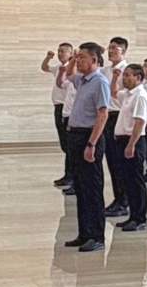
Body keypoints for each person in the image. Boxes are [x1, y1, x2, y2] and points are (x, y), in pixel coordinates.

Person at [63, 42, 112, 253]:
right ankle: (84, 233)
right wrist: (73, 59)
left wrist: (91, 143)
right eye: (77, 57)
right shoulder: (82, 80)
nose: (78, 60)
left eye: (82, 57)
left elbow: (103, 114)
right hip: (75, 135)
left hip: (89, 136)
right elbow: (68, 74)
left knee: (92, 188)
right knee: (81, 188)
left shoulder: (100, 82)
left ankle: (96, 235)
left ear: (93, 60)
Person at [113, 65, 147, 233]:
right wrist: (114, 78)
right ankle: (132, 215)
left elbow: (140, 122)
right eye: (124, 75)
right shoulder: (128, 94)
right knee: (127, 181)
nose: (124, 78)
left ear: (138, 77)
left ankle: (140, 218)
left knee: (136, 181)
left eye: (128, 75)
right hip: (123, 141)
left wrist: (131, 144)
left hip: (133, 141)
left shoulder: (140, 95)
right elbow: (114, 93)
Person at [102, 38, 131, 217]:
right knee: (112, 161)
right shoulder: (105, 70)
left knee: (120, 162)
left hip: (119, 116)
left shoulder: (127, 71)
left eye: (115, 48)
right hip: (107, 116)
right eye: (109, 47)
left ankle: (124, 201)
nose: (111, 51)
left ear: (124, 51)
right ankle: (118, 198)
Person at [43, 43, 75, 188]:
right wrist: (48, 58)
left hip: (66, 107)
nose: (60, 54)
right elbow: (44, 67)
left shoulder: (72, 68)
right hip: (58, 107)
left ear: (70, 53)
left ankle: (71, 175)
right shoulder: (58, 67)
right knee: (64, 142)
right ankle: (68, 174)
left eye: (63, 51)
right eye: (59, 51)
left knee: (68, 144)